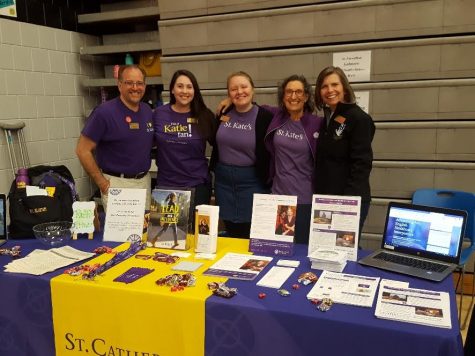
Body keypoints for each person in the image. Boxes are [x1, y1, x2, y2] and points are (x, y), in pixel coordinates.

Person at [76, 65, 154, 211]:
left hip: (144, 182)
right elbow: (82, 150)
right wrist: (102, 183)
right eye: (129, 83)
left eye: (139, 83)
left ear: (145, 85)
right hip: (117, 184)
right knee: (122, 233)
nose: (135, 87)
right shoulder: (104, 112)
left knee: (142, 232)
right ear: (119, 85)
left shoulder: (147, 110)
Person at [210, 71, 274, 238]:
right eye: (234, 89)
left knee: (252, 232)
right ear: (229, 94)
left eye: (244, 87)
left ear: (252, 89)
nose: (239, 92)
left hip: (252, 182)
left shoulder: (265, 116)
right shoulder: (223, 113)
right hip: (223, 183)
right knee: (231, 231)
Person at [314, 66, 375, 232]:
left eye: (335, 84)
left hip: (348, 201)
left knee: (343, 251)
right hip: (326, 199)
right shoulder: (329, 118)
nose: (330, 90)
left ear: (344, 87)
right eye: (324, 86)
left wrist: (348, 205)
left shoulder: (358, 118)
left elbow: (361, 164)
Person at [264, 75, 323, 244]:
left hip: (304, 198)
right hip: (278, 196)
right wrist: (228, 101)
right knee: (278, 247)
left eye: (298, 92)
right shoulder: (276, 116)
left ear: (306, 96)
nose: (293, 96)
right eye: (288, 92)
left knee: (300, 248)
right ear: (283, 96)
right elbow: (250, 106)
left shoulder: (317, 123)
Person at [153, 70, 216, 219]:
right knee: (167, 237)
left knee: (196, 236)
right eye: (180, 86)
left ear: (195, 90)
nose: (184, 91)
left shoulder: (205, 115)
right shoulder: (158, 114)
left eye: (189, 87)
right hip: (166, 186)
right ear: (173, 90)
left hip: (197, 186)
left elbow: (220, 144)